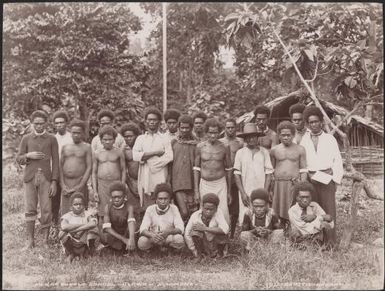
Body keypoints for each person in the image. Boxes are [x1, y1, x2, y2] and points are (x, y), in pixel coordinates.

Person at [299, 106, 343, 248]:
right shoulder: (304, 140)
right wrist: (305, 178)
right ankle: (317, 242)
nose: (314, 125)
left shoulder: (330, 139)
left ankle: (330, 242)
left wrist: (335, 179)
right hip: (311, 179)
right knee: (313, 210)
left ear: (321, 122)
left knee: (329, 210)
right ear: (307, 124)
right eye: (310, 122)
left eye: (316, 121)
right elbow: (302, 161)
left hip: (327, 179)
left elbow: (337, 160)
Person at [16, 110, 59, 249]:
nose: (39, 126)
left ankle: (45, 241)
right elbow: (19, 159)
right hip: (30, 177)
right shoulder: (26, 138)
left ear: (46, 123)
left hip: (46, 178)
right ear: (32, 123)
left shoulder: (51, 138)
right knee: (30, 207)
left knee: (46, 208)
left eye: (41, 123)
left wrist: (54, 181)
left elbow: (56, 161)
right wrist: (29, 155)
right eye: (36, 123)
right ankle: (30, 241)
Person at [133, 107, 173, 210]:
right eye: (149, 120)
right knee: (147, 202)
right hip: (145, 174)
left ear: (159, 122)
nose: (152, 122)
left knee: (161, 199)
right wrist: (155, 153)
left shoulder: (165, 138)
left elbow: (169, 156)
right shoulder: (141, 139)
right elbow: (136, 156)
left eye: (154, 120)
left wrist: (150, 162)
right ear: (145, 121)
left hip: (160, 174)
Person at [194, 118, 232, 224]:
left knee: (222, 211)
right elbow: (196, 169)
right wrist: (196, 191)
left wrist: (229, 192)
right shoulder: (200, 147)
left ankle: (222, 236)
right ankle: (205, 235)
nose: (213, 136)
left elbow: (229, 169)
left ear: (219, 132)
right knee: (205, 211)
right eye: (210, 133)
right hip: (205, 184)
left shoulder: (225, 147)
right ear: (206, 132)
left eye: (215, 133)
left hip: (220, 184)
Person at [234, 123, 273, 225]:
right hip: (246, 189)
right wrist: (242, 193)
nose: (251, 139)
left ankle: (262, 234)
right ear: (245, 139)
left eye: (253, 137)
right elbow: (237, 174)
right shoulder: (240, 153)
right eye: (248, 137)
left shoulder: (264, 152)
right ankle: (246, 235)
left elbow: (268, 173)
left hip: (260, 188)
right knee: (245, 214)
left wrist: (265, 191)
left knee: (261, 213)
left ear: (257, 137)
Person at [270, 121, 307, 228]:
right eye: (283, 135)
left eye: (288, 135)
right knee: (279, 210)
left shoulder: (300, 149)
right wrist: (271, 188)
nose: (286, 137)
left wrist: (301, 185)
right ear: (279, 135)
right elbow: (271, 170)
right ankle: (281, 231)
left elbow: (303, 169)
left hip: (293, 184)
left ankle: (294, 230)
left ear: (293, 135)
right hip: (279, 185)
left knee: (293, 208)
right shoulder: (274, 150)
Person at [92, 125, 126, 225]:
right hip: (102, 185)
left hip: (116, 184)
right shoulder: (97, 153)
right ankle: (103, 237)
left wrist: (122, 187)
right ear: (101, 140)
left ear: (114, 139)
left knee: (116, 209)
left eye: (110, 139)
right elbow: (93, 172)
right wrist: (95, 191)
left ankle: (115, 234)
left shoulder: (119, 152)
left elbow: (123, 170)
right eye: (105, 139)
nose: (107, 141)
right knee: (102, 212)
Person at [138, 183, 185, 253]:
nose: (163, 201)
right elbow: (142, 229)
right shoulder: (150, 209)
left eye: (165, 198)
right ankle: (153, 251)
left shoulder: (174, 208)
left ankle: (170, 250)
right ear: (156, 199)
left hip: (168, 237)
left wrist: (168, 232)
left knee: (179, 239)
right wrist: (152, 235)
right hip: (154, 238)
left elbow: (181, 228)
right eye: (160, 199)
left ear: (170, 199)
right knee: (142, 241)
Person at [170, 115, 199, 223]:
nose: (184, 130)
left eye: (187, 128)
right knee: (184, 212)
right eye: (182, 128)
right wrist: (169, 181)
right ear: (179, 128)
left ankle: (189, 235)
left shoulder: (197, 144)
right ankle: (179, 231)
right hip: (178, 182)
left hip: (192, 182)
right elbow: (170, 164)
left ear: (191, 128)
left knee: (193, 212)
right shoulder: (174, 143)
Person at [60, 119, 92, 215]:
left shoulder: (87, 147)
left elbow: (89, 167)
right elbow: (60, 166)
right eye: (74, 133)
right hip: (66, 183)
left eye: (78, 133)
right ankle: (66, 229)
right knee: (66, 211)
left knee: (80, 210)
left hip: (79, 182)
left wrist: (81, 185)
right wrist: (62, 185)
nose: (76, 135)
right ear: (70, 133)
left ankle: (81, 229)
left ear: (83, 133)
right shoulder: (65, 147)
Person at [184, 193, 229, 261]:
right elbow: (187, 234)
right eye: (206, 209)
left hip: (214, 243)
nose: (208, 212)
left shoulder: (218, 213)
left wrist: (205, 228)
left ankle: (219, 255)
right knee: (195, 231)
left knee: (222, 233)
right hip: (202, 245)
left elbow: (225, 229)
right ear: (202, 207)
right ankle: (200, 256)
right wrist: (194, 250)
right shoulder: (195, 215)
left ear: (216, 209)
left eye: (211, 209)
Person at [288, 181, 334, 246]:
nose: (305, 200)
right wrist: (321, 219)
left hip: (317, 239)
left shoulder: (314, 205)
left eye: (307, 197)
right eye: (302, 197)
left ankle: (324, 245)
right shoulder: (293, 210)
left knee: (325, 225)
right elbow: (306, 230)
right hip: (301, 240)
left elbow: (331, 223)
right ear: (297, 198)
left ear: (311, 197)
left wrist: (314, 217)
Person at [219, 118, 244, 238]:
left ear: (236, 128)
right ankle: (222, 232)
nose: (230, 130)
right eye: (227, 127)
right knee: (223, 207)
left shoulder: (240, 142)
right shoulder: (220, 142)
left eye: (232, 127)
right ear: (224, 128)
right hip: (222, 178)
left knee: (235, 210)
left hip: (236, 178)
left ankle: (232, 234)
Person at [59, 192, 98, 262]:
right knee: (62, 233)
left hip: (84, 242)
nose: (78, 206)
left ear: (84, 206)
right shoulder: (67, 216)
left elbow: (93, 223)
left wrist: (75, 230)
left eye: (80, 204)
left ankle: (89, 252)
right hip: (72, 243)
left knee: (94, 229)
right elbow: (64, 227)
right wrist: (83, 225)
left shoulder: (87, 214)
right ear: (71, 207)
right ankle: (71, 254)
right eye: (75, 204)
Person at [101, 181, 136, 255]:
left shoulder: (129, 207)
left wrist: (131, 239)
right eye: (114, 197)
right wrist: (124, 239)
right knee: (104, 235)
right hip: (115, 234)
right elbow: (107, 228)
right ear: (111, 198)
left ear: (124, 197)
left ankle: (126, 247)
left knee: (133, 231)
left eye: (119, 197)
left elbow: (131, 222)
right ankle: (119, 247)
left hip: (125, 233)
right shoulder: (107, 207)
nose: (116, 200)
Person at [53, 110, 73, 224]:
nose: (59, 125)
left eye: (61, 122)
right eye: (56, 123)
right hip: (55, 172)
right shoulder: (52, 138)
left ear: (66, 123)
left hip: (68, 172)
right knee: (54, 199)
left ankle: (70, 222)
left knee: (69, 197)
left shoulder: (71, 137)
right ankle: (54, 222)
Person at [120, 123, 142, 224]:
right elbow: (124, 169)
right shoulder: (124, 150)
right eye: (126, 136)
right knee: (133, 210)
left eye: (130, 136)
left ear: (136, 136)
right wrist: (131, 186)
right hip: (132, 182)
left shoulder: (142, 146)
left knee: (145, 208)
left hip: (144, 180)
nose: (128, 138)